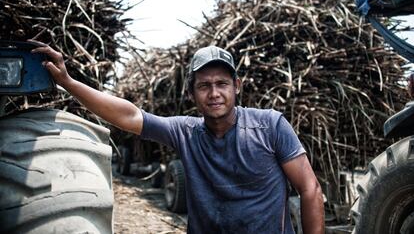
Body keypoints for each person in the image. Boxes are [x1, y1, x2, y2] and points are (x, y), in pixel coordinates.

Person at [31, 41, 324, 234]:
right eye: (204, 85)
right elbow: (130, 116)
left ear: (237, 86)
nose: (214, 93)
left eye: (222, 83)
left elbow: (309, 188)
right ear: (191, 92)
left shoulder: (270, 126)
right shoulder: (186, 132)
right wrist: (68, 82)